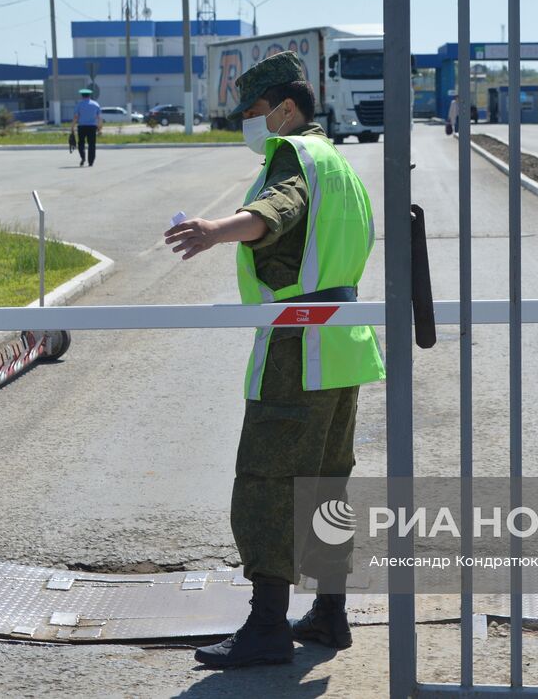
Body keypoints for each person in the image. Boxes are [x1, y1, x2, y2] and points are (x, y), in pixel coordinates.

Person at [165, 50, 385, 668]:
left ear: (286, 108)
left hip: (298, 347)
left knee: (267, 483)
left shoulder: (293, 156)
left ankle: (265, 627)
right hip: (342, 343)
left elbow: (277, 211)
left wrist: (217, 230)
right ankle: (330, 614)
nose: (250, 124)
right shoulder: (338, 160)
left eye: (256, 112)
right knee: (325, 485)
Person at [71, 87, 103, 167]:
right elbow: (99, 118)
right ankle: (91, 162)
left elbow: (76, 117)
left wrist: (72, 127)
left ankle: (83, 157)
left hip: (81, 127)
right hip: (92, 127)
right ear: (90, 95)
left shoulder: (79, 105)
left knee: (81, 143)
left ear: (82, 96)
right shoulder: (96, 104)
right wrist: (99, 128)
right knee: (92, 144)